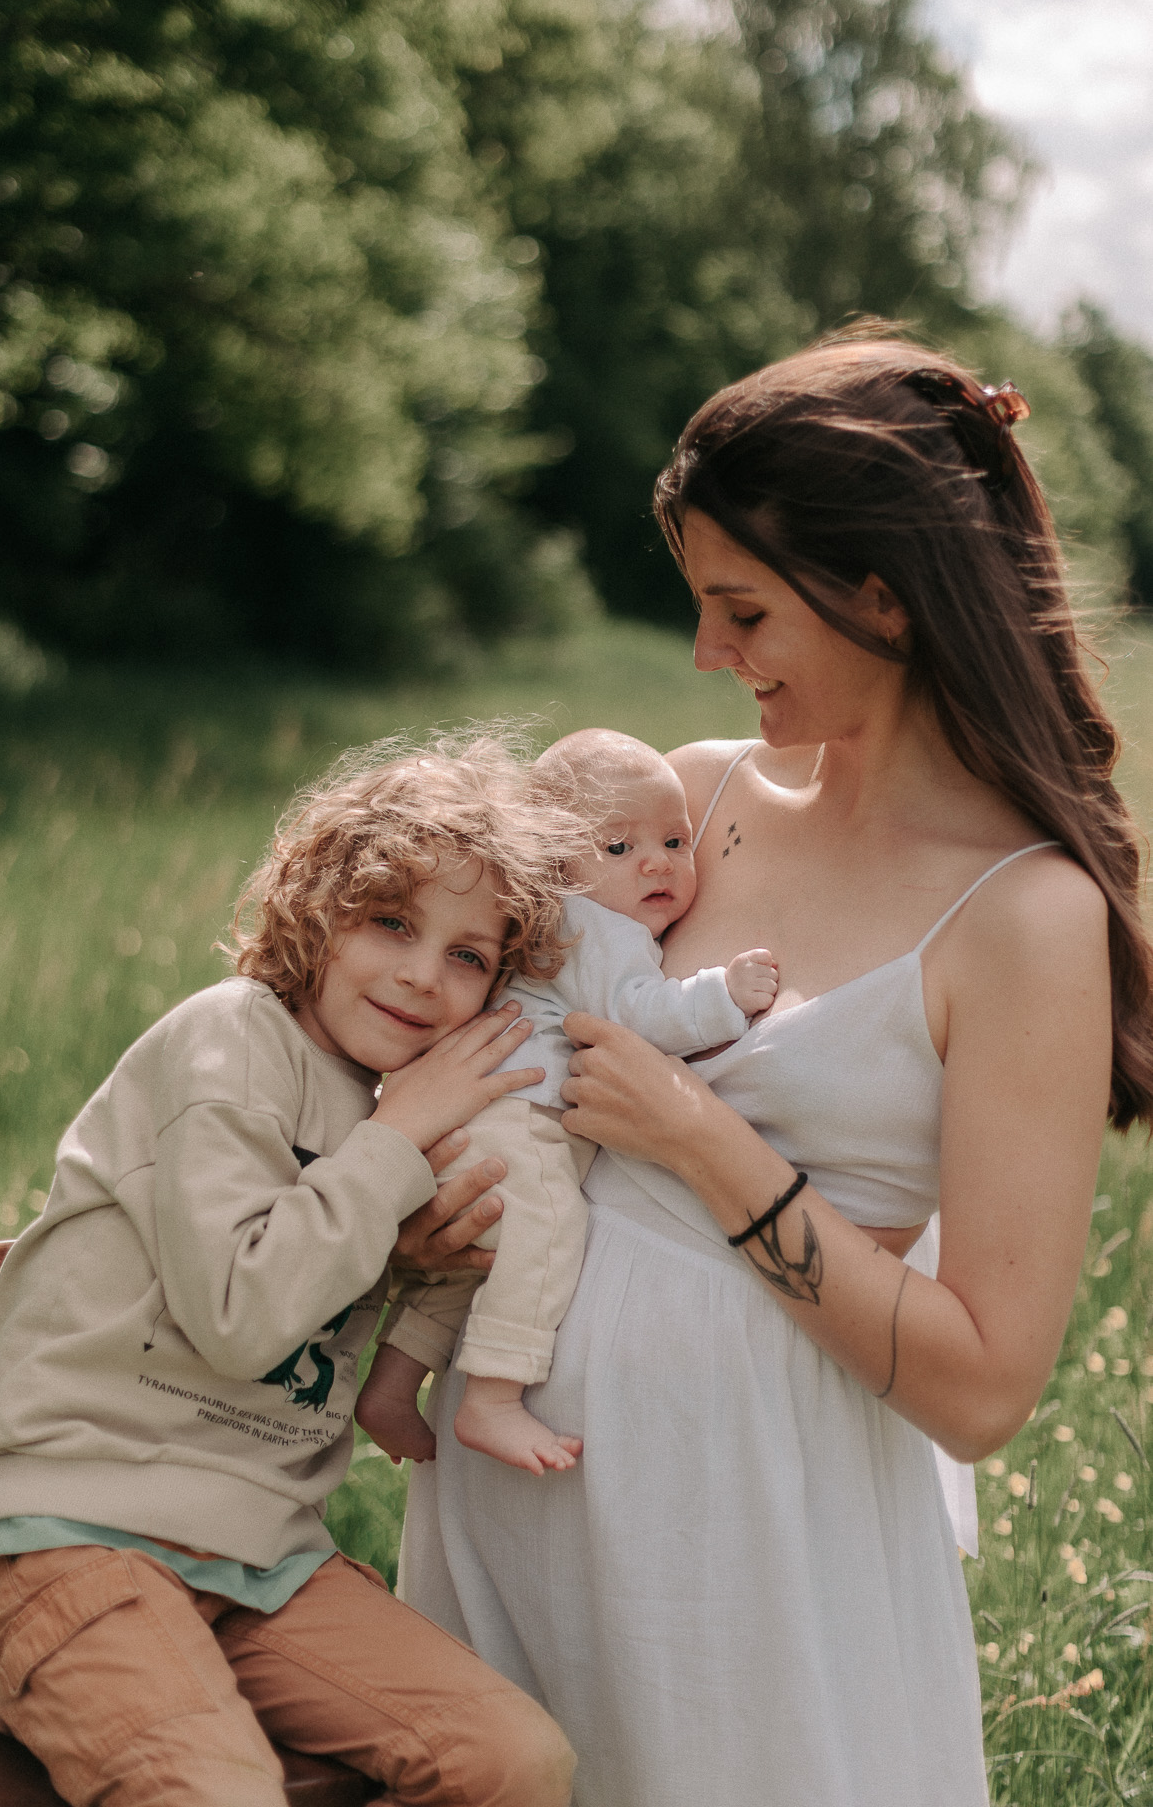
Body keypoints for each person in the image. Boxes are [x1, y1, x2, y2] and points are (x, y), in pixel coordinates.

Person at [396, 333, 1153, 1807]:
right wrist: (430, 1215)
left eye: (739, 609)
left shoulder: (1020, 916)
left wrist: (699, 1137)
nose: (703, 655)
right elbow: (466, 1028)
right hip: (514, 1489)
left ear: (881, 595)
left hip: (756, 1542)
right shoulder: (676, 808)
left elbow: (985, 1388)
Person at [0, 734, 578, 1807]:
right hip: (66, 1535)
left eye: (469, 956)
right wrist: (399, 1142)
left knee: (512, 1760)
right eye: (391, 922)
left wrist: (419, 1229)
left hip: (260, 1562)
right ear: (316, 908)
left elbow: (388, 1252)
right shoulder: (233, 1042)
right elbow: (239, 1316)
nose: (423, 974)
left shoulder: (383, 1102)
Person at [357, 728, 776, 1476]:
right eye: (616, 849)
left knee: (474, 1267)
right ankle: (490, 1399)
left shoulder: (568, 923)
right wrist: (722, 996)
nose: (654, 862)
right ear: (556, 866)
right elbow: (637, 1015)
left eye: (674, 840)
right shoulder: (593, 926)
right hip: (521, 1118)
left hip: (479, 1120)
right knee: (546, 1231)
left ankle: (390, 1388)